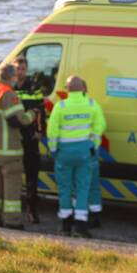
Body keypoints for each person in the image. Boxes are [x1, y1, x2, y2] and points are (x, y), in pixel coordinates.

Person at [46, 75, 105, 238]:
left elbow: (52, 131)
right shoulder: (92, 105)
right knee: (83, 188)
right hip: (84, 153)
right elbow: (100, 126)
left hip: (64, 154)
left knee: (65, 189)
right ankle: (81, 226)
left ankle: (65, 226)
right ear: (83, 88)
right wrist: (92, 145)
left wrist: (53, 150)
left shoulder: (61, 106)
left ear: (67, 89)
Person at [0, 64, 34, 229]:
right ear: (12, 77)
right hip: (9, 150)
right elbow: (18, 120)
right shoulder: (8, 94)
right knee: (12, 188)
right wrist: (33, 114)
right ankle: (12, 221)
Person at [13, 55, 46, 224]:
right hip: (12, 137)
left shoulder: (34, 87)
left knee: (32, 176)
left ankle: (32, 211)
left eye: (23, 69)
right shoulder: (8, 87)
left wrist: (40, 131)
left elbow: (41, 110)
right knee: (13, 174)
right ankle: (12, 210)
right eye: (18, 69)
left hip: (30, 136)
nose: (20, 72)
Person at [80, 79, 105, 229]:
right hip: (91, 150)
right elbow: (101, 125)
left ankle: (80, 217)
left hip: (75, 151)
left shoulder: (64, 105)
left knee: (78, 185)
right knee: (93, 184)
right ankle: (95, 217)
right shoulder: (93, 104)